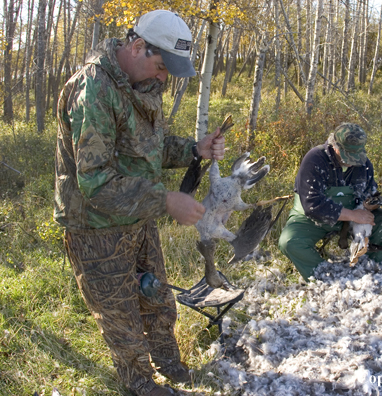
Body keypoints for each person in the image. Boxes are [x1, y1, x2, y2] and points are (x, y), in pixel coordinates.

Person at [54, 10, 225, 396]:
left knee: (157, 299)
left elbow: (150, 147)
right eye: (161, 67)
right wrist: (165, 200)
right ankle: (141, 384)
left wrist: (194, 150)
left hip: (137, 217)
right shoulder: (93, 90)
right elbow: (95, 182)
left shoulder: (142, 86)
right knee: (121, 316)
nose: (164, 78)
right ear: (136, 47)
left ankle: (170, 364)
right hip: (95, 227)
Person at [279, 123, 382, 280]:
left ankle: (374, 270)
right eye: (348, 155)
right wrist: (353, 215)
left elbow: (370, 193)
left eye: (356, 156)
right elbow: (312, 205)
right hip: (311, 219)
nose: (352, 161)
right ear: (334, 145)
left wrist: (368, 205)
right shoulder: (315, 160)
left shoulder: (364, 163)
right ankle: (325, 277)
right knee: (289, 242)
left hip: (351, 217)